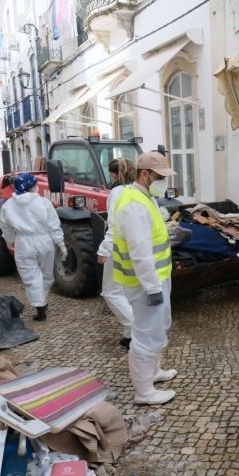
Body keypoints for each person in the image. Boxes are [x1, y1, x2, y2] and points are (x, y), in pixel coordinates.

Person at [112, 151, 178, 405]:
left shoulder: (144, 197)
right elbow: (139, 252)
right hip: (144, 284)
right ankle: (144, 392)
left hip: (156, 278)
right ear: (144, 175)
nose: (163, 182)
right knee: (145, 335)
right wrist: (152, 288)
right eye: (159, 177)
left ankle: (153, 372)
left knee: (159, 326)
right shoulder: (134, 204)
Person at [0, 173, 67, 321]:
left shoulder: (8, 205)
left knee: (31, 276)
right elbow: (54, 225)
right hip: (45, 241)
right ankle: (42, 302)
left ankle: (40, 307)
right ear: (33, 186)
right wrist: (61, 243)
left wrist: (9, 241)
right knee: (47, 275)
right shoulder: (44, 203)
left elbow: (5, 227)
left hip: (23, 242)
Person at [97, 158, 136, 348]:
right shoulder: (137, 190)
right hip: (135, 246)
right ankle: (130, 335)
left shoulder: (117, 192)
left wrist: (104, 249)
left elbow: (113, 223)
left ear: (114, 174)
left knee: (111, 291)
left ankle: (135, 330)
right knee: (127, 291)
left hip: (119, 246)